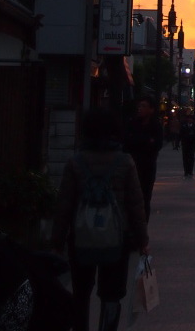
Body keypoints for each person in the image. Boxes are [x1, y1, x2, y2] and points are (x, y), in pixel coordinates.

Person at [51, 106, 149, 331]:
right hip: (117, 236)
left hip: (81, 236)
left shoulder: (76, 162)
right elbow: (135, 205)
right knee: (112, 293)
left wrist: (57, 242)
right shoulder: (124, 162)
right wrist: (142, 239)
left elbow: (64, 206)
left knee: (81, 291)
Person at [124, 95, 163, 221]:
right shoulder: (132, 123)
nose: (140, 108)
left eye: (144, 106)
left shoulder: (156, 126)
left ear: (151, 109)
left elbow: (157, 145)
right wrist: (146, 141)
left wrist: (139, 141)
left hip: (148, 167)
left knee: (145, 197)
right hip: (132, 165)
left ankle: (142, 224)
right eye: (139, 106)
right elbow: (127, 142)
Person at [179, 108, 195, 177]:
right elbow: (181, 134)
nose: (190, 120)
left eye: (191, 119)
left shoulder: (194, 127)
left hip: (192, 144)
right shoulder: (183, 126)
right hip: (185, 144)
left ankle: (190, 171)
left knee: (191, 158)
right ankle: (186, 171)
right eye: (189, 119)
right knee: (185, 158)